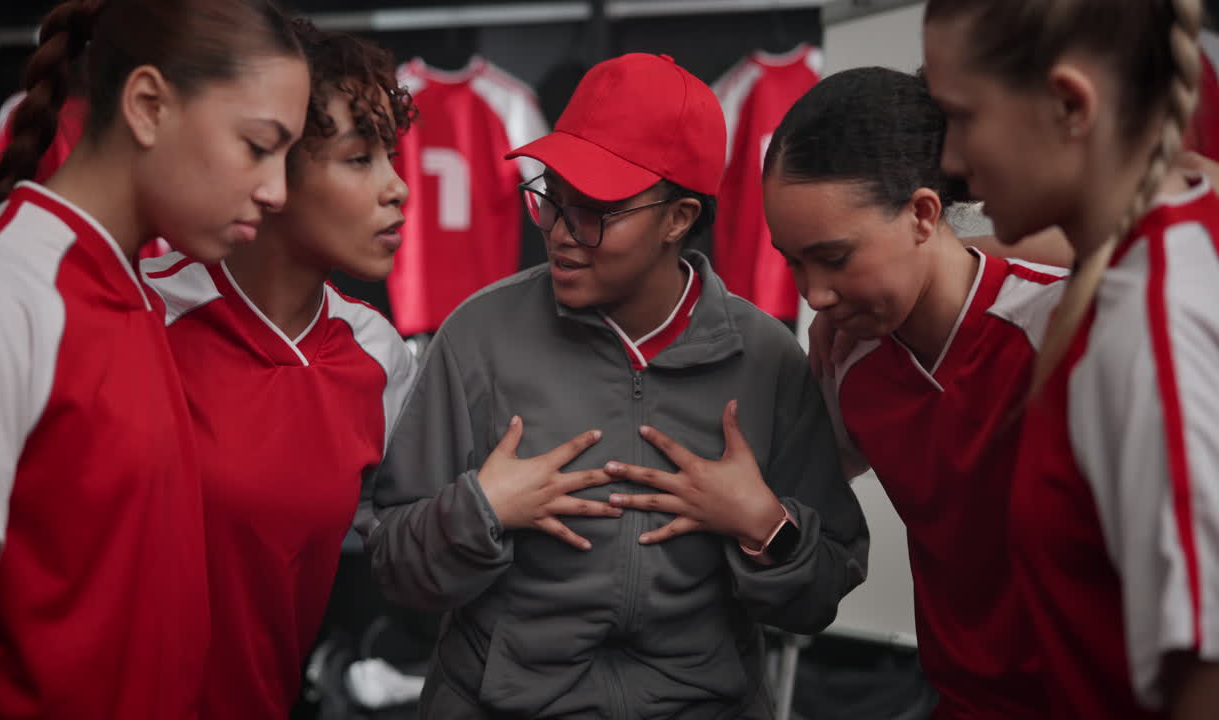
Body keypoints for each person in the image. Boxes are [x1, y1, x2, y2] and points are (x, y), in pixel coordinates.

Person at [362, 52, 868, 718]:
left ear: (679, 218)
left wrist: (763, 525)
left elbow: (821, 593)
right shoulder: (478, 337)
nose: (562, 235)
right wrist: (481, 512)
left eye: (595, 211)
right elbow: (394, 565)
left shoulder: (766, 360)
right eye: (553, 200)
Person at [0, 1, 309, 719]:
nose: (277, 191)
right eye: (257, 146)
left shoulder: (135, 284)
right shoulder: (7, 289)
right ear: (147, 106)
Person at [923, 1, 1219, 717]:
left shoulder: (1154, 324)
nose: (950, 160)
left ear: (1068, 104)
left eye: (962, 118)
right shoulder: (1156, 247)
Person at [763, 66, 1064, 720]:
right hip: (958, 701)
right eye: (794, 262)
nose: (813, 295)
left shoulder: (1062, 330)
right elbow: (805, 519)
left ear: (924, 214)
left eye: (835, 258)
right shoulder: (847, 364)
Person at [139, 23, 417, 719]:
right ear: (271, 169)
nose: (398, 188)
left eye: (392, 156)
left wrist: (488, 507)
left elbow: (406, 552)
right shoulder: (143, 312)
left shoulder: (377, 354)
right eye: (360, 159)